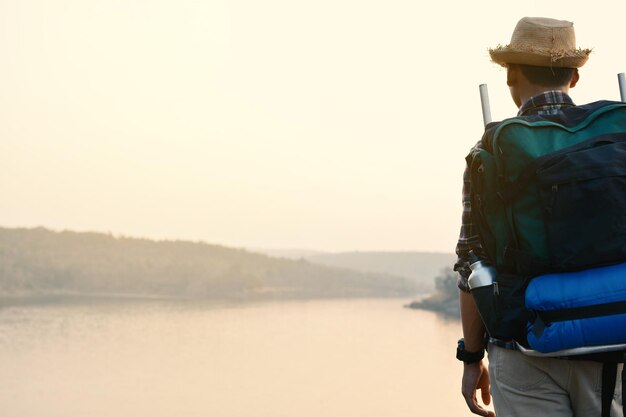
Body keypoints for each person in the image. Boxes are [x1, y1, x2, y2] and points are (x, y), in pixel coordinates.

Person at [454, 17, 623, 417]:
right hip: (615, 340)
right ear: (574, 77)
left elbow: (471, 263)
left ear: (511, 75)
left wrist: (471, 357)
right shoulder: (618, 136)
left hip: (525, 348)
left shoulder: (492, 148)